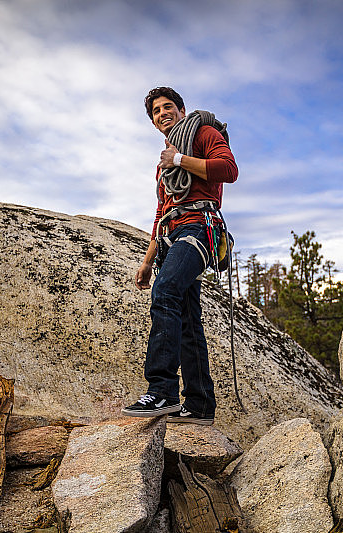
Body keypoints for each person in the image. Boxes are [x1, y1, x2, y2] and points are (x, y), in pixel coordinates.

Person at [121, 87, 238, 425]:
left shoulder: (204, 132)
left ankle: (162, 390)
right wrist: (147, 259)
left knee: (166, 293)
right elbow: (162, 211)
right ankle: (200, 406)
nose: (162, 114)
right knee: (187, 320)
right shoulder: (163, 163)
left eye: (167, 107)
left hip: (201, 227)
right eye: (156, 111)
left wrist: (179, 160)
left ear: (181, 109)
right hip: (172, 234)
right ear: (154, 121)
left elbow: (229, 169)